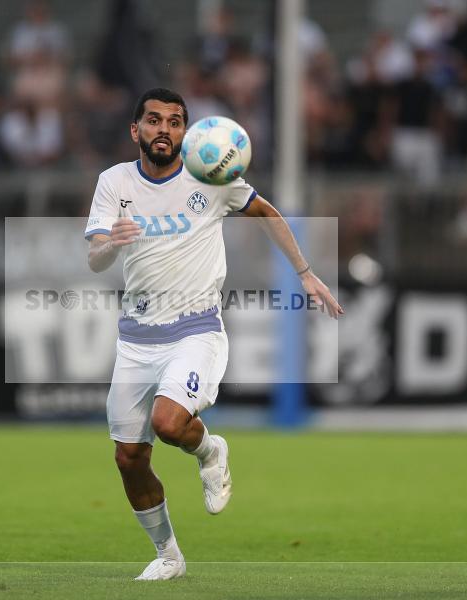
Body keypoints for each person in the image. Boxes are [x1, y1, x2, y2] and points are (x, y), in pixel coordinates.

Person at [84, 88, 343, 580]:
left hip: (196, 329)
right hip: (136, 336)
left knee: (168, 422)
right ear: (135, 131)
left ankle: (210, 449)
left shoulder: (212, 176)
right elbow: (94, 258)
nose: (165, 129)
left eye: (176, 121)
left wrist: (305, 273)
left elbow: (266, 212)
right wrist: (110, 244)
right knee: (128, 457)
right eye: (155, 120)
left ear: (187, 132)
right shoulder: (113, 181)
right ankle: (168, 557)